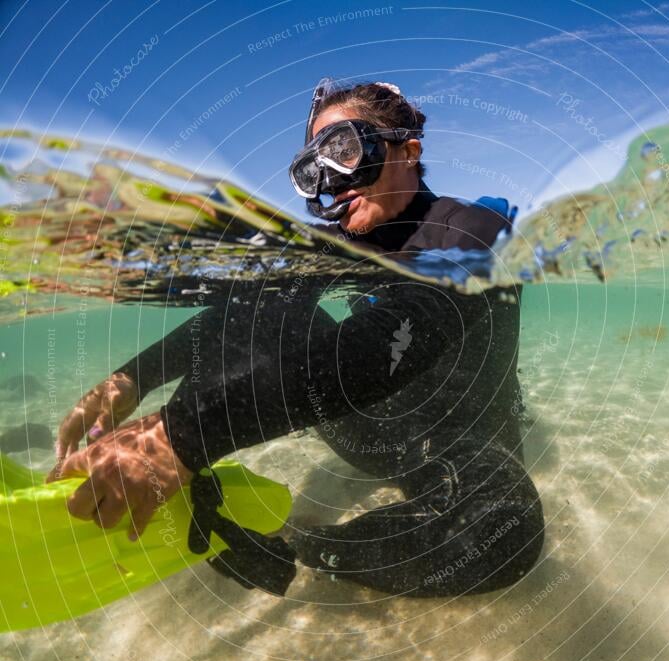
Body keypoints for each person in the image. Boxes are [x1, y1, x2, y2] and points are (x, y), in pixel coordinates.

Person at [51, 79, 545, 597]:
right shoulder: (335, 243)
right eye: (313, 172)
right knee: (263, 298)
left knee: (505, 534)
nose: (331, 183)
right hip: (378, 435)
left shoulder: (471, 229)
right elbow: (246, 313)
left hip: (462, 447)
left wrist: (186, 435)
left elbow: (392, 340)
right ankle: (178, 478)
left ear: (408, 149)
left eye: (343, 151)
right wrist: (131, 379)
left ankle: (301, 546)